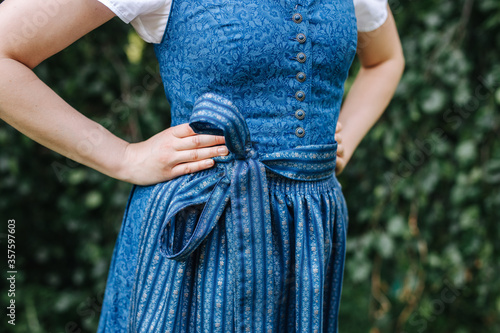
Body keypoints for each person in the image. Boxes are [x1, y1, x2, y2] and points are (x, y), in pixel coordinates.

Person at [0, 0, 404, 331]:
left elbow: (385, 59)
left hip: (306, 233)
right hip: (201, 226)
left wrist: (344, 135)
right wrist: (121, 156)